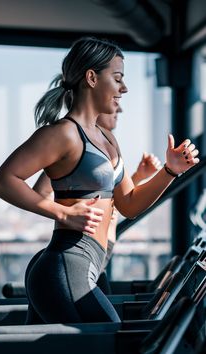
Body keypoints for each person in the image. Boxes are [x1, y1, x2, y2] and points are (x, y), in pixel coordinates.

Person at [0, 37, 199, 324]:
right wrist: (61, 211)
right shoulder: (63, 133)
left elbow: (129, 204)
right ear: (91, 77)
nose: (123, 88)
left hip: (89, 267)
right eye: (117, 78)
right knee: (113, 339)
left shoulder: (108, 138)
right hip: (66, 265)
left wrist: (170, 172)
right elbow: (3, 181)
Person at [32, 106, 162, 295]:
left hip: (97, 255)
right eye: (114, 102)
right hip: (77, 254)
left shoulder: (107, 143)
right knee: (106, 322)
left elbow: (113, 198)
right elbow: (42, 192)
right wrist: (67, 212)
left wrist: (138, 177)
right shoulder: (73, 147)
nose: (120, 109)